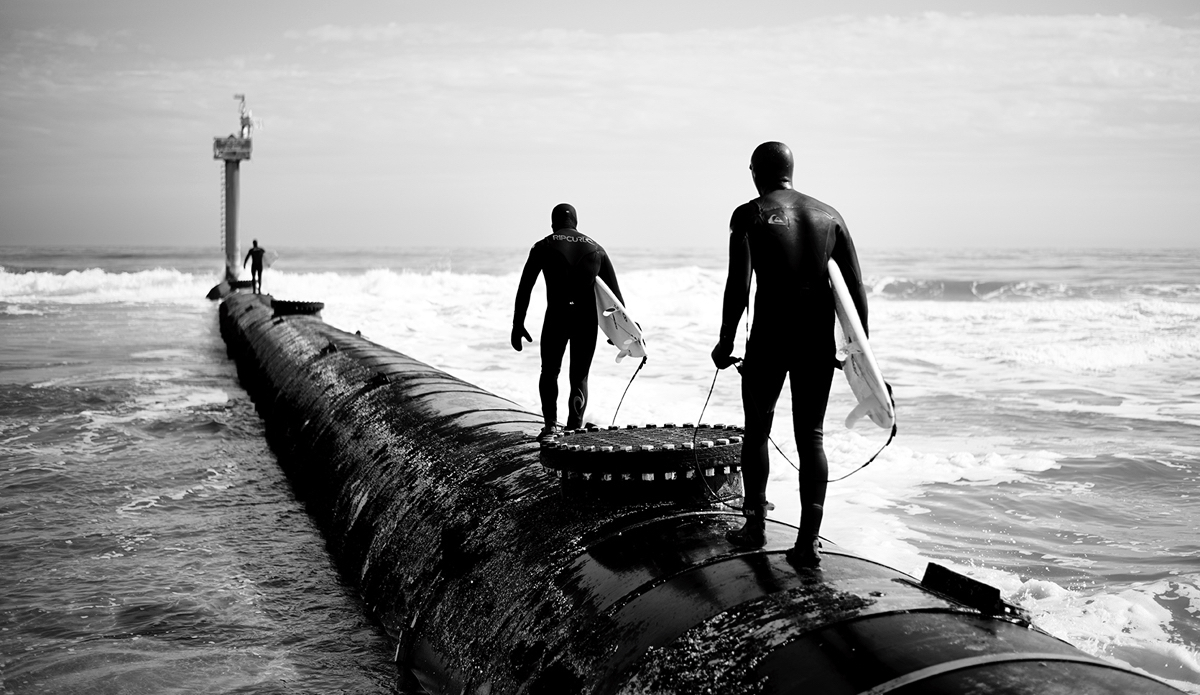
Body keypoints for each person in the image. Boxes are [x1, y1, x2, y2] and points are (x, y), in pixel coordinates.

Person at [711, 142, 870, 569]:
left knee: (757, 431)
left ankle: (754, 525)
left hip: (770, 336)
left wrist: (725, 341)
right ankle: (808, 543)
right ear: (790, 171)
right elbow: (855, 292)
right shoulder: (830, 215)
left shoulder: (750, 213)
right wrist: (859, 353)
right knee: (811, 437)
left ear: (755, 172)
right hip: (816, 340)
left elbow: (738, 286)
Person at [512, 203, 626, 439]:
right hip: (586, 321)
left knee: (549, 371)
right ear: (576, 221)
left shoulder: (543, 246)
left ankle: (551, 426)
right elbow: (616, 299)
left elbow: (525, 288)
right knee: (580, 377)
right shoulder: (596, 249)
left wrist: (517, 325)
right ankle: (574, 428)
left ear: (553, 223)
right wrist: (621, 333)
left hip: (557, 317)